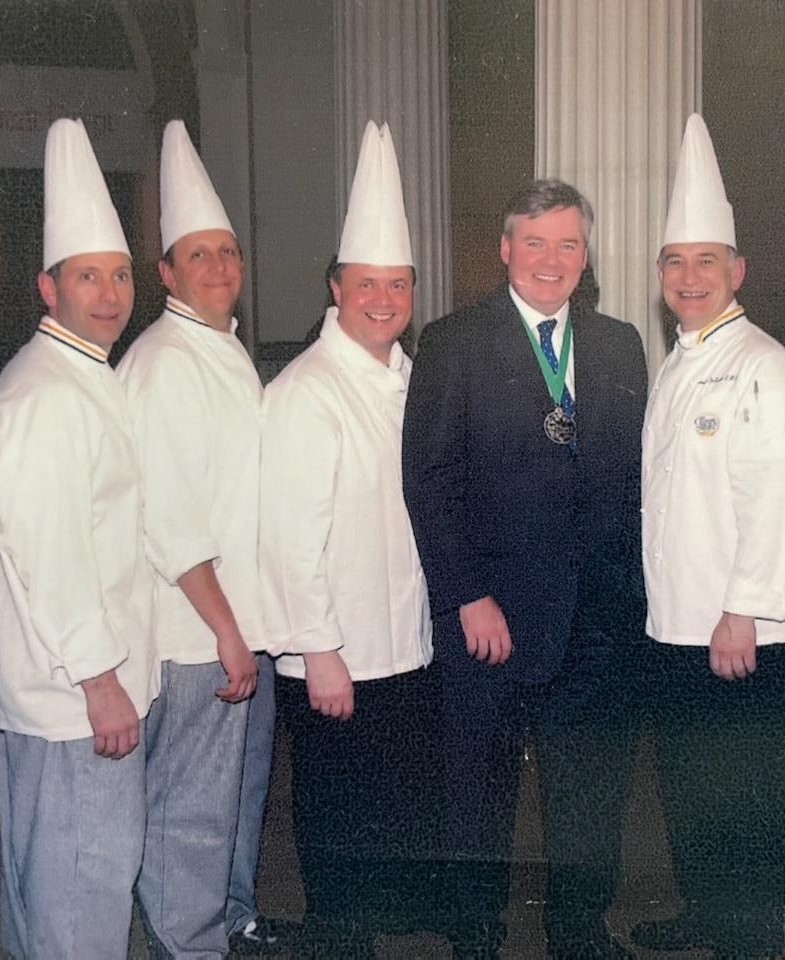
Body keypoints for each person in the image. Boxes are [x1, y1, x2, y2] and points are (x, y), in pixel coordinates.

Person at [402, 178, 646, 959]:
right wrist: (468, 594)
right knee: (478, 795)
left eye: (567, 243)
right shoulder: (452, 341)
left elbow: (632, 482)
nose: (551, 260)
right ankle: (476, 935)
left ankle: (580, 932)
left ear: (586, 254)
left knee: (590, 799)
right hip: (492, 619)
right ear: (505, 250)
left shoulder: (619, 344)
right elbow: (429, 480)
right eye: (533, 243)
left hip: (595, 620)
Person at [0, 117, 160, 959]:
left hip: (81, 688)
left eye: (120, 274)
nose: (109, 292)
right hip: (72, 697)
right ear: (46, 288)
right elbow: (45, 555)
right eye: (87, 276)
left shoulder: (86, 376)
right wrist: (99, 679)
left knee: (63, 887)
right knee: (81, 888)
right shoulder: (45, 394)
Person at [260, 121, 439, 958]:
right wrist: (318, 648)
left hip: (399, 646)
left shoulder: (408, 378)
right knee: (337, 824)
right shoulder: (308, 391)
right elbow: (289, 537)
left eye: (397, 283)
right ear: (335, 287)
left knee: (387, 817)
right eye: (366, 283)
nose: (382, 298)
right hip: (337, 654)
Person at [631, 113, 785, 960]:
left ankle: (750, 942)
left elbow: (776, 502)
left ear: (737, 270)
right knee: (693, 794)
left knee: (748, 804)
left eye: (706, 263)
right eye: (675, 262)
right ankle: (707, 914)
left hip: (742, 633)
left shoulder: (762, 364)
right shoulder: (678, 361)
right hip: (678, 626)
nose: (689, 277)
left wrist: (744, 610)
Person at [117, 119, 284, 958]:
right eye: (198, 255)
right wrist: (225, 630)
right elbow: (171, 518)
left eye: (228, 252)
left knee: (237, 794)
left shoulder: (225, 351)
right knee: (193, 800)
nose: (219, 267)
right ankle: (191, 941)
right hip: (197, 631)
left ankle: (233, 918)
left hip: (243, 625)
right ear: (165, 273)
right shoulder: (162, 362)